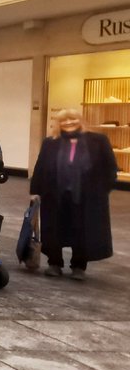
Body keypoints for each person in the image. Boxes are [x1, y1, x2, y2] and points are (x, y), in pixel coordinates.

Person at [30, 108, 118, 280]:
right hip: (54, 195)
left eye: (72, 119)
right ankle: (54, 264)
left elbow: (110, 167)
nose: (68, 123)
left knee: (82, 229)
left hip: (86, 197)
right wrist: (35, 191)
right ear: (58, 124)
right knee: (54, 229)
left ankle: (79, 266)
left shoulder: (98, 140)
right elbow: (40, 167)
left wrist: (103, 190)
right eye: (64, 120)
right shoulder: (50, 142)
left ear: (80, 120)